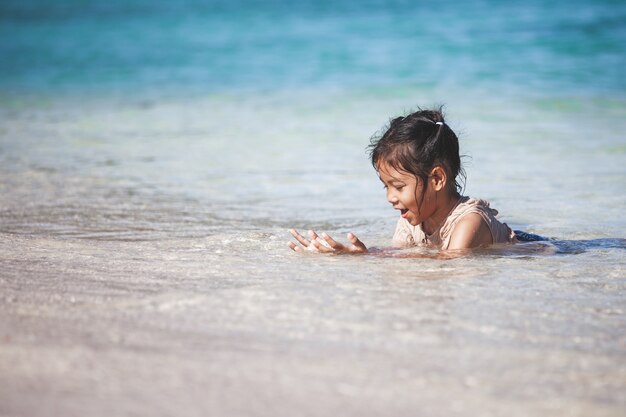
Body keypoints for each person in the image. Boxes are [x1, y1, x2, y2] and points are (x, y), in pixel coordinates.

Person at [288, 107, 544, 256]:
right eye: (386, 186)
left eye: (398, 186)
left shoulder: (470, 222)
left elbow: (448, 267)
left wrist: (370, 260)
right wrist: (359, 255)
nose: (390, 197)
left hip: (540, 247)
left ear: (437, 178)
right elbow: (401, 256)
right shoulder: (412, 219)